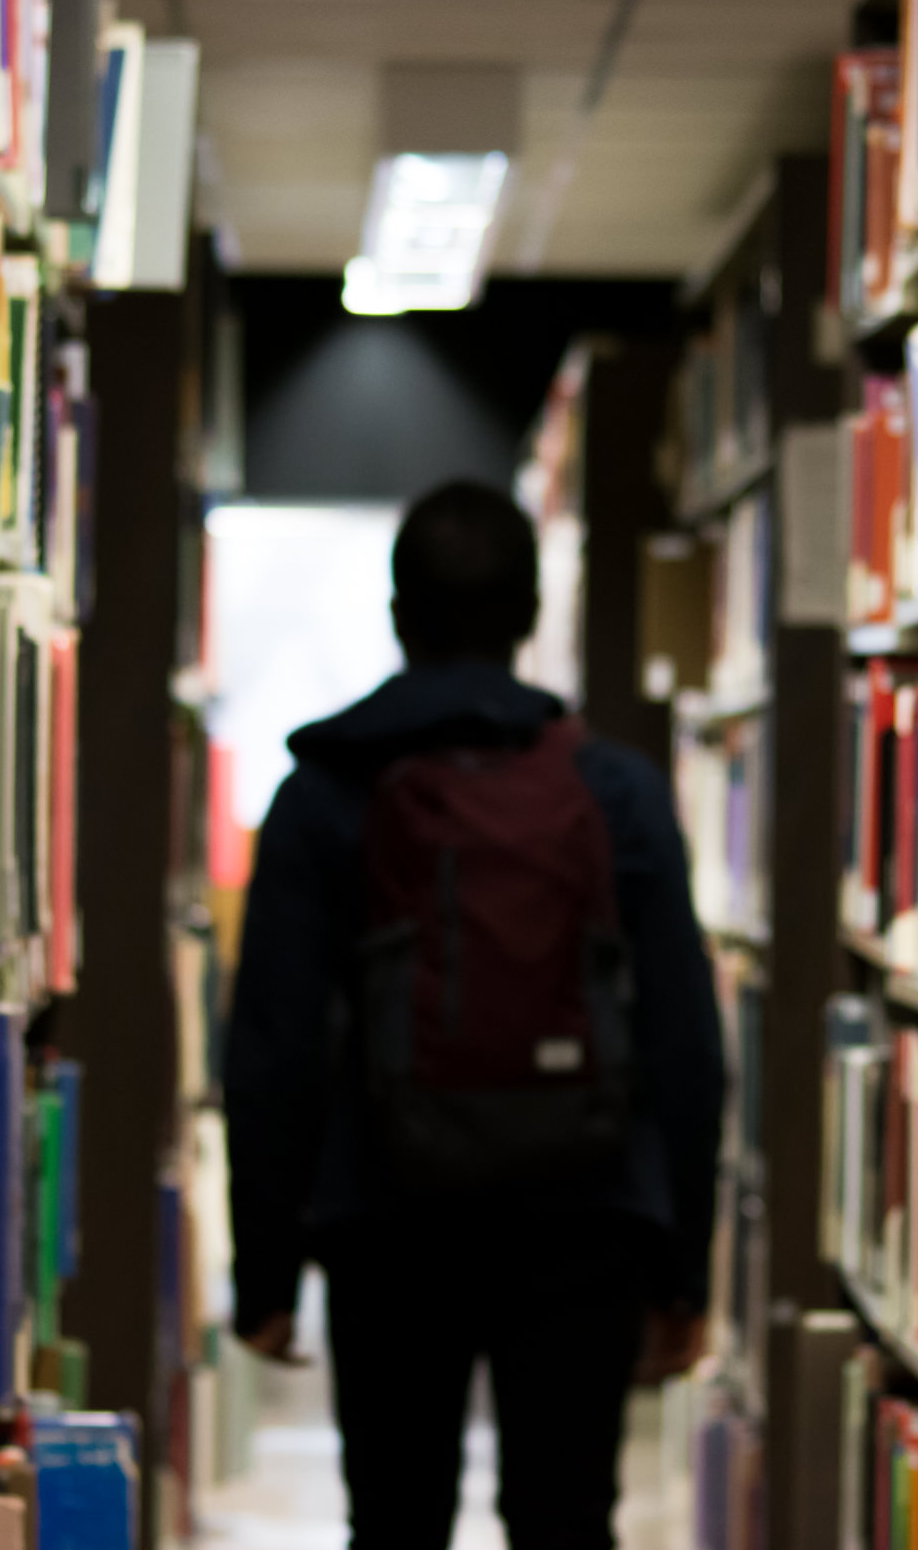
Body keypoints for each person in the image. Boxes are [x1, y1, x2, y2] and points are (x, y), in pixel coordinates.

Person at [224, 478, 727, 1550]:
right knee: (564, 1518)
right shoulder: (615, 789)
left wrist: (266, 1269)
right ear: (530, 613)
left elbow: (273, 1045)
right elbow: (685, 1037)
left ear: (399, 613)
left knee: (397, 1518)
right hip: (583, 1213)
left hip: (385, 1216)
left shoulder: (322, 791)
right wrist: (682, 1266)